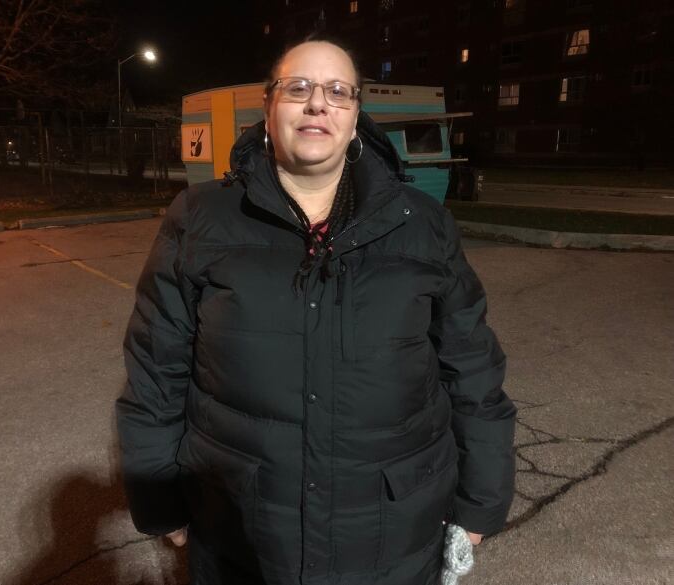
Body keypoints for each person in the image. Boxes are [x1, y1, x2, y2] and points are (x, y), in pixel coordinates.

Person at [116, 37, 517, 585]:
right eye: (297, 88)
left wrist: (481, 501)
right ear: (268, 108)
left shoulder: (422, 225)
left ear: (355, 118)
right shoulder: (201, 219)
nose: (317, 104)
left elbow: (472, 371)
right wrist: (158, 496)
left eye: (337, 92)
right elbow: (155, 368)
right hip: (243, 530)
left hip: (393, 529)